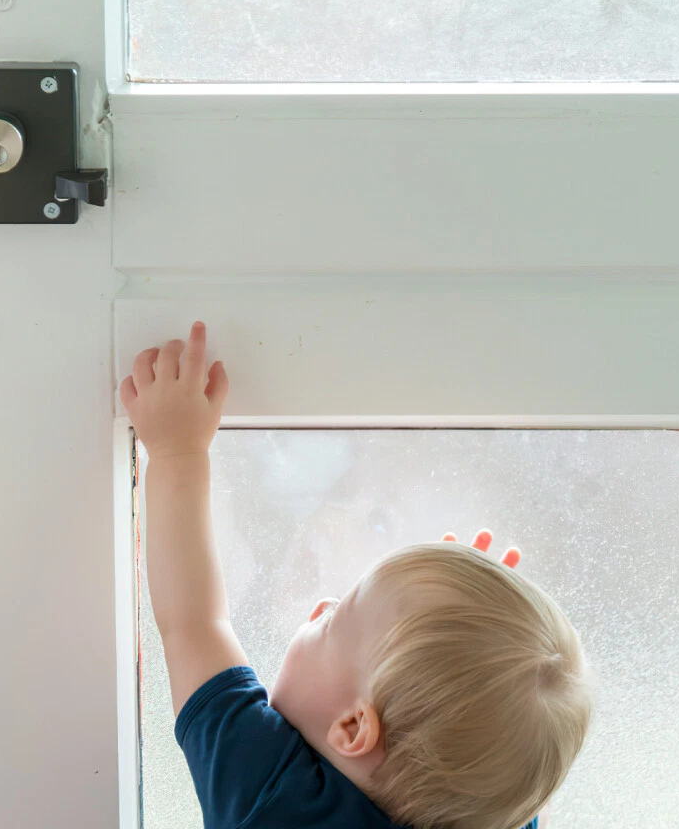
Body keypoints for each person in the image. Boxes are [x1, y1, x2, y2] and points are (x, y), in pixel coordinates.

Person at [120, 322, 592, 829]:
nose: (322, 605)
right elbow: (523, 783)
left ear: (351, 727)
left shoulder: (272, 795)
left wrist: (176, 450)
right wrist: (480, 638)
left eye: (333, 620)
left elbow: (193, 623)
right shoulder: (489, 813)